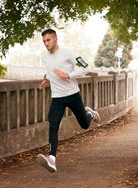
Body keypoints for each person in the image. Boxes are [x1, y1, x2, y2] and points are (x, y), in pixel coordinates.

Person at [36, 28, 101, 173]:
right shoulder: (45, 56)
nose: (46, 44)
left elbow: (86, 67)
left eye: (48, 40)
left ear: (55, 38)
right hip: (57, 97)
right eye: (44, 41)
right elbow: (51, 70)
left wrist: (68, 75)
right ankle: (52, 159)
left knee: (84, 125)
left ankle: (89, 114)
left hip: (72, 94)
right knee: (53, 123)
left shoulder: (68, 53)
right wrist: (46, 79)